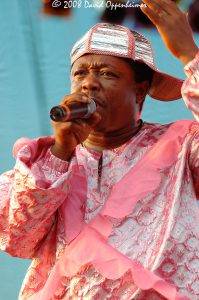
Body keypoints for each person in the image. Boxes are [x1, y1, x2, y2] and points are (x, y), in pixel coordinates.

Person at [0, 0, 198, 299]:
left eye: (107, 74)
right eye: (80, 74)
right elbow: (18, 240)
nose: (89, 84)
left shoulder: (184, 145)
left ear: (140, 90)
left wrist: (190, 54)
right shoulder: (42, 160)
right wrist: (62, 152)